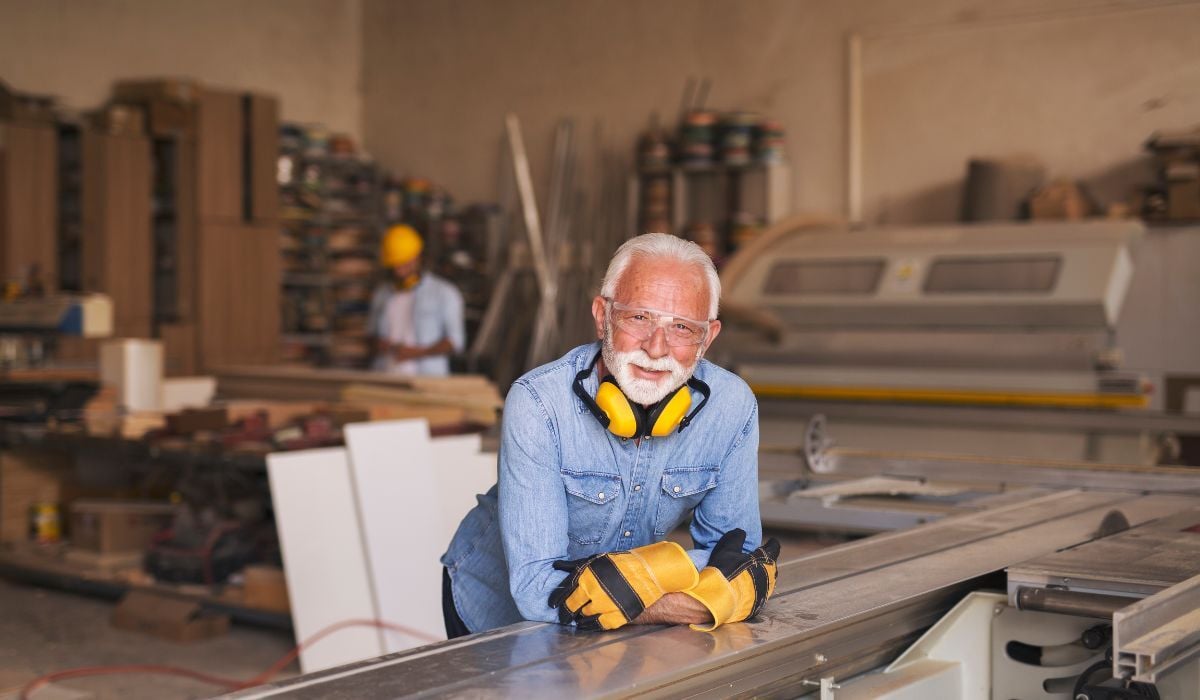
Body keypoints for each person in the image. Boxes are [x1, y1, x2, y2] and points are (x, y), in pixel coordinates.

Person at [440, 232, 779, 638]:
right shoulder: (538, 404)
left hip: (614, 621)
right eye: (640, 318)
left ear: (708, 337)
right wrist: (697, 600)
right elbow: (534, 587)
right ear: (602, 316)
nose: (657, 348)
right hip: (495, 609)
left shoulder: (731, 406)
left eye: (683, 327)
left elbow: (733, 555)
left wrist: (638, 582)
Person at [367, 224, 465, 376]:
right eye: (395, 264)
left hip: (428, 381)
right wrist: (384, 346)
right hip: (386, 377)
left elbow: (455, 342)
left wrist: (416, 353)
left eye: (403, 263)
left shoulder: (444, 293)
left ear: (417, 257)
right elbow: (371, 337)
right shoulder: (382, 294)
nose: (398, 270)